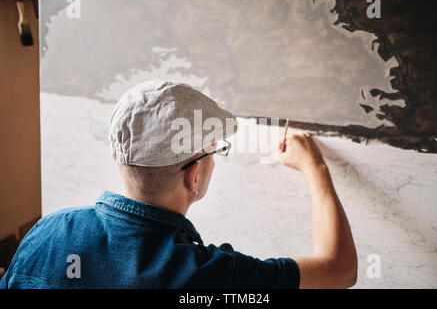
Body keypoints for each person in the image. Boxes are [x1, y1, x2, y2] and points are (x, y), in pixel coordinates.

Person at [0, 81, 357, 289]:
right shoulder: (206, 276)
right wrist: (315, 167)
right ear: (194, 175)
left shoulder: (46, 231)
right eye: (215, 152)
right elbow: (340, 269)